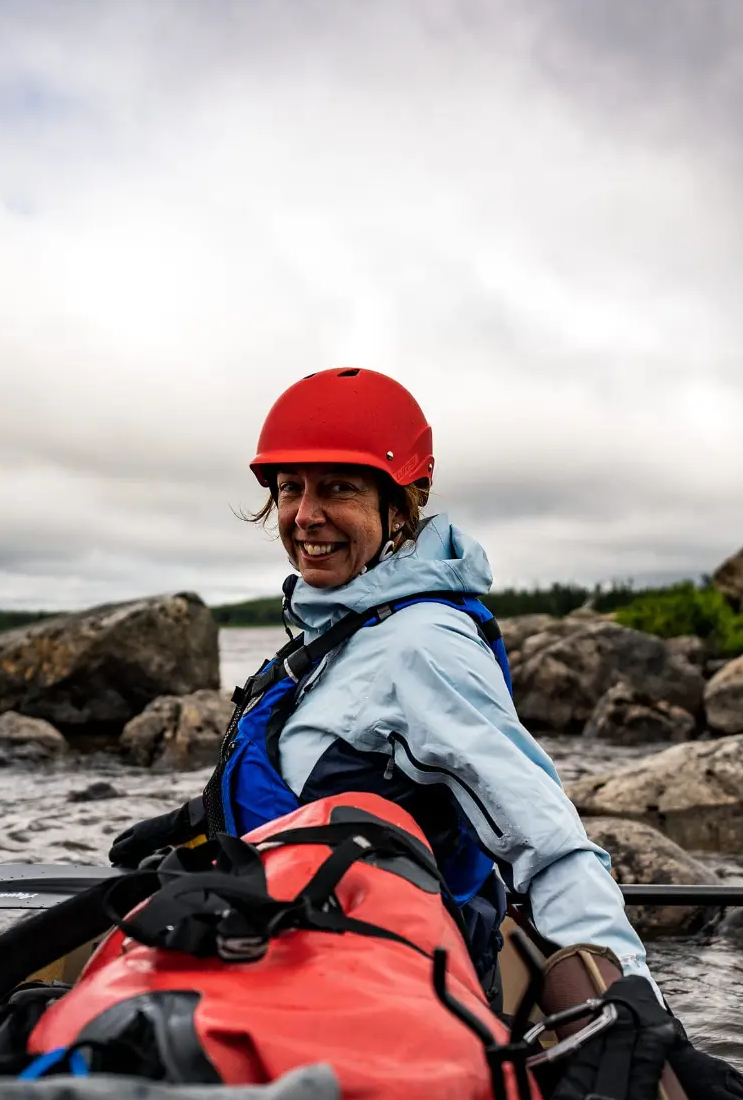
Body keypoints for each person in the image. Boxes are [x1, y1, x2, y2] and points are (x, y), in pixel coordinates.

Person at [116, 366, 652, 1000]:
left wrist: (628, 994)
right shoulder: (348, 623)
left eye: (339, 489)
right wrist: (205, 817)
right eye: (291, 489)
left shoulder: (424, 647)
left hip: (376, 983)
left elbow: (550, 842)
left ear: (402, 503)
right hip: (292, 940)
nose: (306, 516)